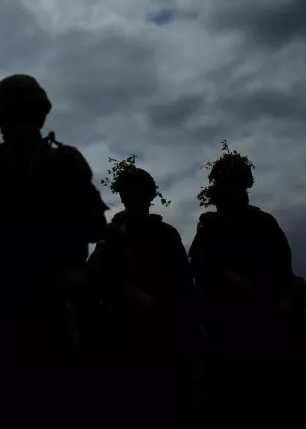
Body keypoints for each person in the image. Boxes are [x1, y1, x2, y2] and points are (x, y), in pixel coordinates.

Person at [0, 74, 108, 426]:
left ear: (0, 119)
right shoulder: (65, 162)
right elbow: (96, 227)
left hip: (16, 310)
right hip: (51, 310)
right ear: (41, 114)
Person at [188, 149, 306, 422]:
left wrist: (286, 294)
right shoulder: (210, 223)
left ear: (243, 184)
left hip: (266, 328)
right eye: (219, 181)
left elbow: (283, 270)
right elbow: (204, 268)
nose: (221, 187)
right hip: (226, 329)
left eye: (228, 181)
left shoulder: (264, 222)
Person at [88, 166, 197, 423]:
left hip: (164, 331)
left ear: (149, 196)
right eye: (127, 193)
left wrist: (187, 319)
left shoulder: (166, 234)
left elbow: (183, 282)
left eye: (138, 193)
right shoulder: (111, 235)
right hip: (123, 331)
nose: (132, 199)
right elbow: (94, 277)